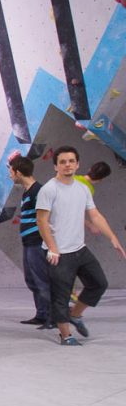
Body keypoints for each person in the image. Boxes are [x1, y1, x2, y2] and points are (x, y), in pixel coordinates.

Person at [35, 146, 124, 346]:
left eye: (71, 161)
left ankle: (75, 315)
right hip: (58, 252)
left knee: (99, 283)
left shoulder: (83, 188)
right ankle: (66, 335)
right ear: (56, 166)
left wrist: (113, 238)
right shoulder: (49, 189)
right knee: (61, 294)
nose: (67, 165)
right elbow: (41, 221)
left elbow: (95, 215)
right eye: (63, 162)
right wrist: (52, 247)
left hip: (79, 249)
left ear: (78, 164)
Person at [8, 156, 50, 326]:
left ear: (18, 172)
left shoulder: (38, 190)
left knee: (42, 280)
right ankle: (41, 314)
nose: (10, 176)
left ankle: (52, 316)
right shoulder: (27, 191)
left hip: (37, 242)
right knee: (32, 280)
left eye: (11, 172)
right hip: (28, 242)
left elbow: (47, 216)